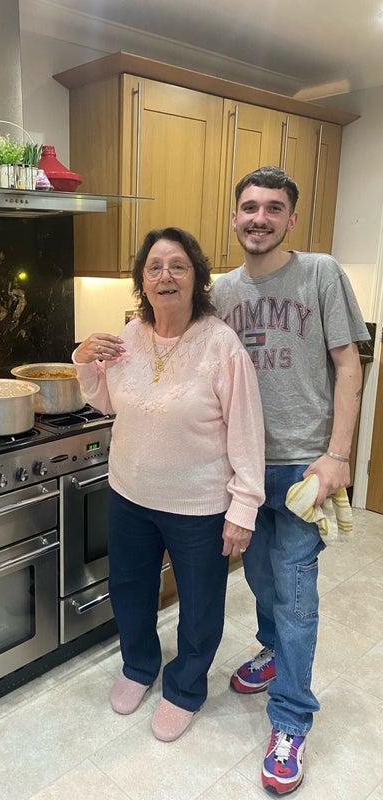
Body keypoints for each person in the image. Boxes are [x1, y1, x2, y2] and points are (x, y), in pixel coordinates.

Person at [72, 226, 265, 743]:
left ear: (197, 276)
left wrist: (243, 507)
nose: (166, 276)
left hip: (198, 504)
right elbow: (106, 401)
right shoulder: (131, 335)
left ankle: (185, 688)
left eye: (178, 266)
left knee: (200, 606)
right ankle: (139, 666)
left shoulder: (220, 345)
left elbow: (247, 432)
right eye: (154, 267)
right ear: (142, 280)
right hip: (129, 495)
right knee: (129, 590)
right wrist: (84, 360)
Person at [211, 166, 370, 795]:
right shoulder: (221, 292)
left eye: (273, 208)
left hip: (305, 466)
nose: (260, 218)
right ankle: (273, 650)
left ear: (291, 219)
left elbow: (349, 365)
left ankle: (291, 721)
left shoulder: (321, 274)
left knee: (297, 592)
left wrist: (338, 455)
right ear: (234, 216)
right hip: (245, 468)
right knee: (259, 577)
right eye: (250, 207)